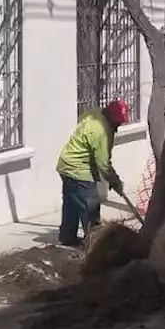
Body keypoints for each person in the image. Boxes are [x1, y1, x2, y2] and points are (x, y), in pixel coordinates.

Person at [55, 99, 129, 247]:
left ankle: (67, 237)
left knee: (72, 203)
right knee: (90, 207)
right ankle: (95, 245)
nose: (118, 126)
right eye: (118, 122)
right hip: (78, 169)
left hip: (66, 164)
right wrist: (115, 182)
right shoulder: (102, 132)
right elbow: (103, 163)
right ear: (112, 119)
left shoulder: (95, 113)